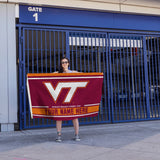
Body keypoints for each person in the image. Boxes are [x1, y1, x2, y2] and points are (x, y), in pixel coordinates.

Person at [54, 57, 80, 142]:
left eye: (65, 62)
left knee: (75, 116)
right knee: (59, 116)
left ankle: (77, 135)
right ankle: (59, 135)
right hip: (61, 98)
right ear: (61, 64)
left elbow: (85, 75)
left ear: (68, 63)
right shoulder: (58, 73)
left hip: (71, 98)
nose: (64, 64)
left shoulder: (73, 72)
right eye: (62, 62)